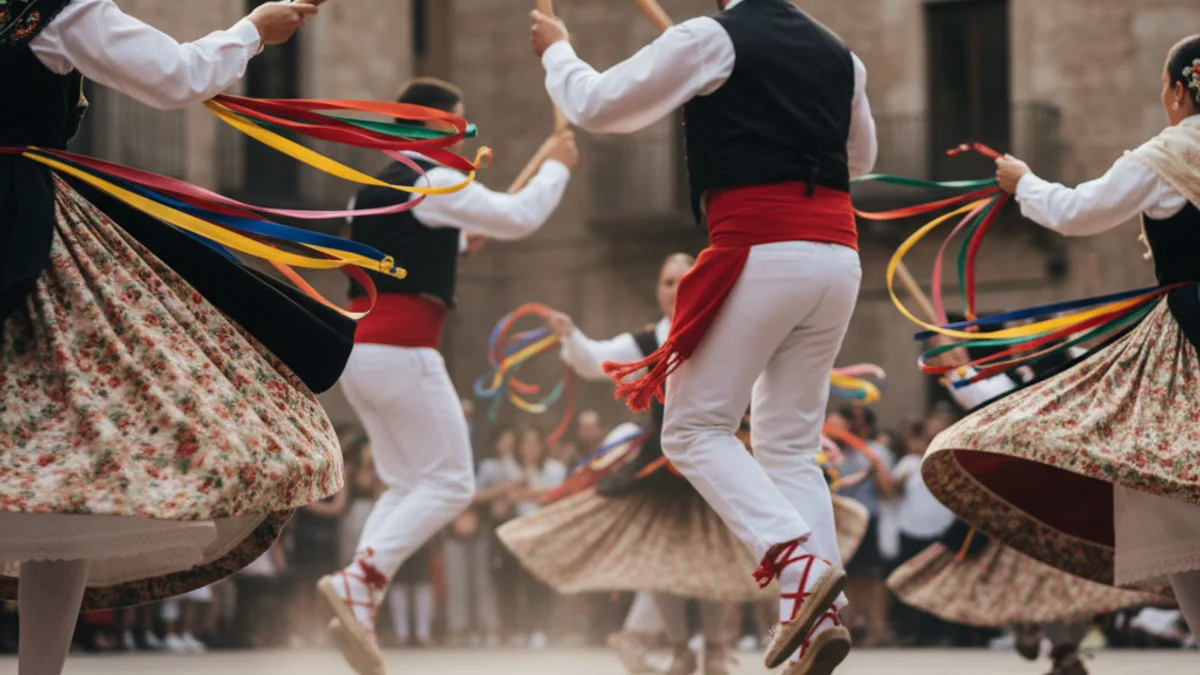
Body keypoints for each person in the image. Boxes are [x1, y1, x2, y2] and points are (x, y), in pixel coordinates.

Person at [0, 3, 365, 674]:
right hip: (21, 224)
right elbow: (175, 75)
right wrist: (253, 31)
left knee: (53, 474)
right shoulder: (52, 9)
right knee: (71, 465)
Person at [530, 1, 877, 670]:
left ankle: (801, 567)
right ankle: (818, 618)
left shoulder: (712, 37)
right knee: (790, 447)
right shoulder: (843, 56)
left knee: (692, 430)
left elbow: (599, 105)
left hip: (761, 249)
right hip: (837, 258)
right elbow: (859, 158)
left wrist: (557, 50)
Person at [919, 34, 1200, 638]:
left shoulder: (1168, 154)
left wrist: (1023, 182)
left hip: (1188, 342)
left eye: (1163, 87)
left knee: (1172, 490)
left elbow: (1077, 213)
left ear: (1180, 91)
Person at [317, 77, 576, 675]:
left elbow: (406, 248)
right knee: (453, 485)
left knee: (406, 484)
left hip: (362, 355)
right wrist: (557, 168)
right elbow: (519, 216)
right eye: (458, 125)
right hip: (404, 350)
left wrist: (458, 243)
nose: (463, 138)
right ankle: (360, 580)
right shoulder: (433, 180)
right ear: (434, 125)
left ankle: (360, 603)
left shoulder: (369, 188)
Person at [890, 351, 1170, 674]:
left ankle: (1055, 645)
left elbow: (972, 389)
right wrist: (953, 358)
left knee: (1076, 584)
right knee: (1041, 582)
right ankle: (1051, 643)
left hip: (1066, 502)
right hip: (1035, 504)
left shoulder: (1075, 378)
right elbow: (972, 389)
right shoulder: (1018, 387)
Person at [828, 409, 895, 647]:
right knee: (844, 578)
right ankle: (846, 630)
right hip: (838, 522)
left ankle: (877, 630)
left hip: (868, 520)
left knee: (873, 579)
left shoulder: (875, 452)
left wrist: (876, 471)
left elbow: (889, 493)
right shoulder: (827, 453)